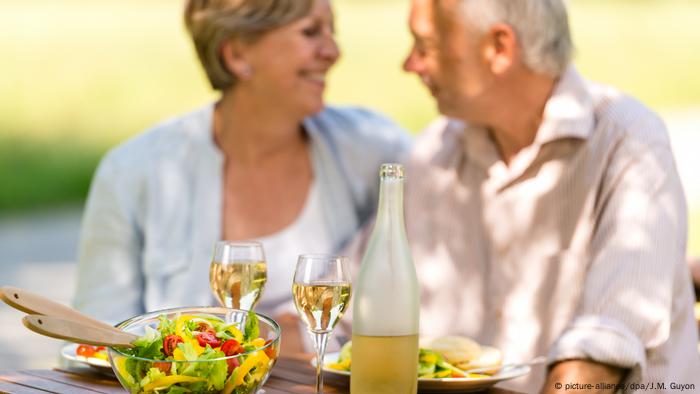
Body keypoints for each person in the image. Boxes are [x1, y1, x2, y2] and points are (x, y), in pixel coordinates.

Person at [73, 0, 410, 350]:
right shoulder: (135, 170)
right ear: (236, 56)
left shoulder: (375, 149)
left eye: (332, 30)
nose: (334, 51)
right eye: (310, 32)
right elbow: (94, 336)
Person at [399, 0, 700, 391]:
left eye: (425, 47)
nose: (410, 65)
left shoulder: (628, 143)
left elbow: (600, 356)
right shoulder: (436, 151)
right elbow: (356, 306)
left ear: (499, 49)